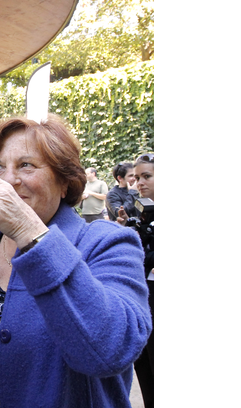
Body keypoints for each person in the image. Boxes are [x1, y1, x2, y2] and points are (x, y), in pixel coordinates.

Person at [0, 116, 152, 407]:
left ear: (64, 182)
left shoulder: (107, 243)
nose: (8, 180)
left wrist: (29, 232)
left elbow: (111, 350)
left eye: (26, 165)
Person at [131, 153, 154, 408]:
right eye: (137, 177)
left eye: (146, 176)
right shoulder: (143, 210)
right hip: (144, 301)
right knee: (144, 366)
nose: (140, 183)